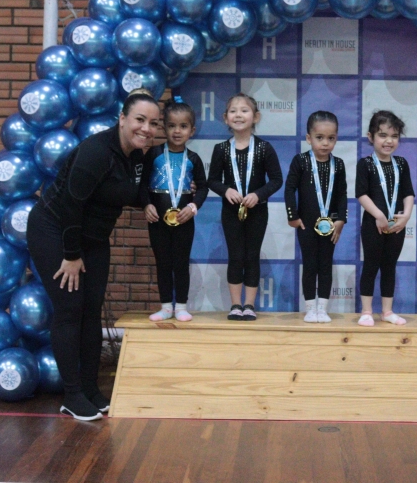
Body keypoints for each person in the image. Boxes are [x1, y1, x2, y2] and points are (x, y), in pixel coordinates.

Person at [27, 90, 162, 421]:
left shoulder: (139, 155)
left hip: (95, 238)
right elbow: (71, 205)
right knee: (70, 308)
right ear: (122, 119)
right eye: (140, 120)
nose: (146, 129)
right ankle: (72, 395)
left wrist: (155, 200)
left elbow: (129, 192)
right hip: (56, 230)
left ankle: (90, 388)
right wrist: (71, 255)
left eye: (153, 123)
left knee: (91, 310)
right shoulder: (96, 151)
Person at [207, 94, 283, 321]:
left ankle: (249, 305)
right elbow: (212, 180)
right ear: (225, 118)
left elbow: (276, 180)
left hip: (257, 211)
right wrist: (226, 190)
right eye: (233, 111)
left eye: (244, 110)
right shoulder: (221, 149)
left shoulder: (264, 148)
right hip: (231, 211)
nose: (238, 115)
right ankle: (235, 305)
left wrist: (258, 195)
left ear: (255, 117)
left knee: (251, 255)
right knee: (235, 255)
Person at [142, 98, 208, 323]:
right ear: (163, 128)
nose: (177, 131)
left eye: (183, 126)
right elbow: (142, 185)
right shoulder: (154, 154)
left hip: (184, 219)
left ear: (192, 130)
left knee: (181, 262)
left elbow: (203, 187)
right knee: (162, 262)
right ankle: (165, 307)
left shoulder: (194, 159)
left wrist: (193, 206)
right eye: (171, 126)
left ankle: (180, 306)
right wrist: (147, 204)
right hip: (157, 220)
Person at [285, 111, 347, 323]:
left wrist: (341, 220)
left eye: (331, 138)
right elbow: (289, 189)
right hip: (305, 224)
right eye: (319, 137)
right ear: (308, 138)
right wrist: (293, 216)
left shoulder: (338, 164)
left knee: (325, 265)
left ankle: (323, 308)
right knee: (310, 265)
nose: (325, 143)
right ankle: (310, 308)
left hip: (330, 226)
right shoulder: (300, 161)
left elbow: (342, 194)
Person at [355, 110, 416, 326]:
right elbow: (361, 194)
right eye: (382, 135)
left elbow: (408, 193)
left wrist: (406, 216)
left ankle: (387, 311)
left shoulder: (401, 164)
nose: (389, 141)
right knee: (371, 265)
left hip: (396, 225)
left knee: (390, 266)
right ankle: (366, 311)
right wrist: (379, 215)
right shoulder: (365, 164)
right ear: (370, 137)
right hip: (373, 224)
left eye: (394, 136)